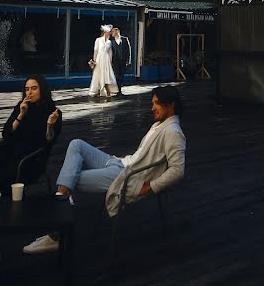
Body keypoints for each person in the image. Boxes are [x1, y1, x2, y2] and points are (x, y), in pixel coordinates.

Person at [23, 85, 186, 254]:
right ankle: (58, 220)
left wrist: (149, 187)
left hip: (126, 175)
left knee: (70, 179)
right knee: (76, 145)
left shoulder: (173, 132)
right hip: (120, 163)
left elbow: (177, 170)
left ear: (170, 105)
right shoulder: (161, 124)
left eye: (157, 104)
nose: (152, 108)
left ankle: (55, 232)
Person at [0, 74, 62, 202]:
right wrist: (20, 115)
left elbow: (48, 141)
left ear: (42, 89)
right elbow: (6, 133)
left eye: (34, 88)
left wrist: (49, 125)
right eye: (27, 89)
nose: (30, 92)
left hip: (30, 159)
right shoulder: (22, 106)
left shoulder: (53, 112)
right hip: (9, 152)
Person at [90, 24, 117, 98]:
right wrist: (94, 61)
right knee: (98, 74)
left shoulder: (109, 42)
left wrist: (110, 61)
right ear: (105, 32)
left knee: (106, 75)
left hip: (106, 59)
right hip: (99, 58)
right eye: (108, 32)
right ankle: (98, 90)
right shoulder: (98, 40)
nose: (109, 33)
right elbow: (95, 50)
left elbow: (110, 52)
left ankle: (107, 91)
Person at [109, 26, 132, 97]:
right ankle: (118, 91)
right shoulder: (111, 41)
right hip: (115, 61)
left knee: (121, 76)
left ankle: (119, 90)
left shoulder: (125, 39)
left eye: (113, 32)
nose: (112, 33)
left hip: (123, 61)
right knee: (117, 76)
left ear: (117, 32)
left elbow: (128, 51)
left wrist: (128, 60)